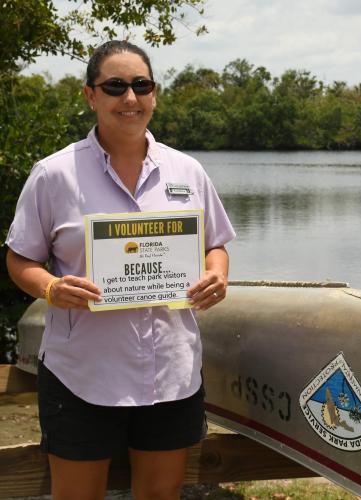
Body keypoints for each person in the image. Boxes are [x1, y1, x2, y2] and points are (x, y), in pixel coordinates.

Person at [5, 40, 236, 500]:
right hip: (83, 373)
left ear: (154, 94)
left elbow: (215, 244)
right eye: (114, 86)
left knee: (160, 494)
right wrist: (50, 287)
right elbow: (19, 259)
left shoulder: (187, 171)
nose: (129, 99)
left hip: (172, 370)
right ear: (91, 95)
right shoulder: (54, 174)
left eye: (141, 85)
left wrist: (218, 274)